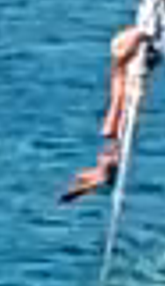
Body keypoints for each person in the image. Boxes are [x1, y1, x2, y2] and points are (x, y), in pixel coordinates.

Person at [61, 15, 152, 202]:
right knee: (118, 76)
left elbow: (83, 176)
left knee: (118, 78)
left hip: (114, 132)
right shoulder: (107, 164)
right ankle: (141, 36)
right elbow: (89, 177)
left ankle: (140, 37)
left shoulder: (107, 161)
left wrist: (79, 188)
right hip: (115, 129)